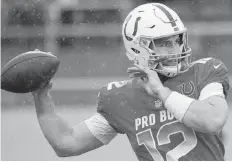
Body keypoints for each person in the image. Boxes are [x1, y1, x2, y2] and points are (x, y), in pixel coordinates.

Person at [32, 3, 230, 161]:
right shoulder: (122, 98)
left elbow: (213, 120)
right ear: (138, 49)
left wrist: (162, 92)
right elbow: (67, 143)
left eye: (177, 41)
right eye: (164, 43)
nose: (176, 50)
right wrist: (41, 97)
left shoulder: (205, 72)